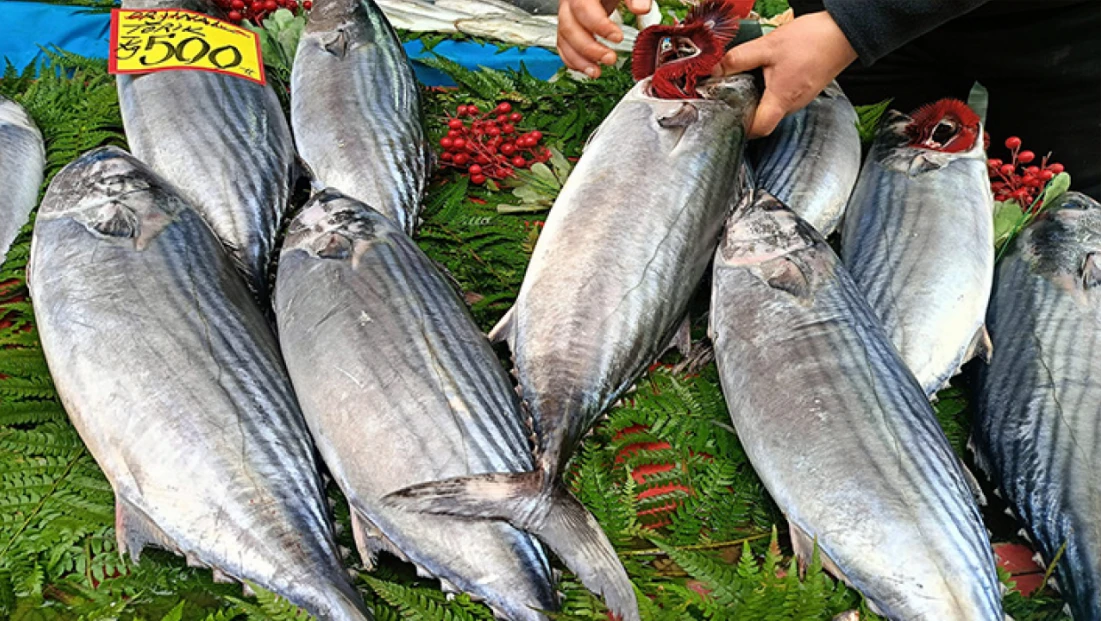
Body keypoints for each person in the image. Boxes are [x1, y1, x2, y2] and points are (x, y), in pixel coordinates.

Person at [556, 0, 1101, 199]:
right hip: (846, 23)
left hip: (1057, 35)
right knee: (860, 188)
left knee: (1061, 220)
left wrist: (855, 25)